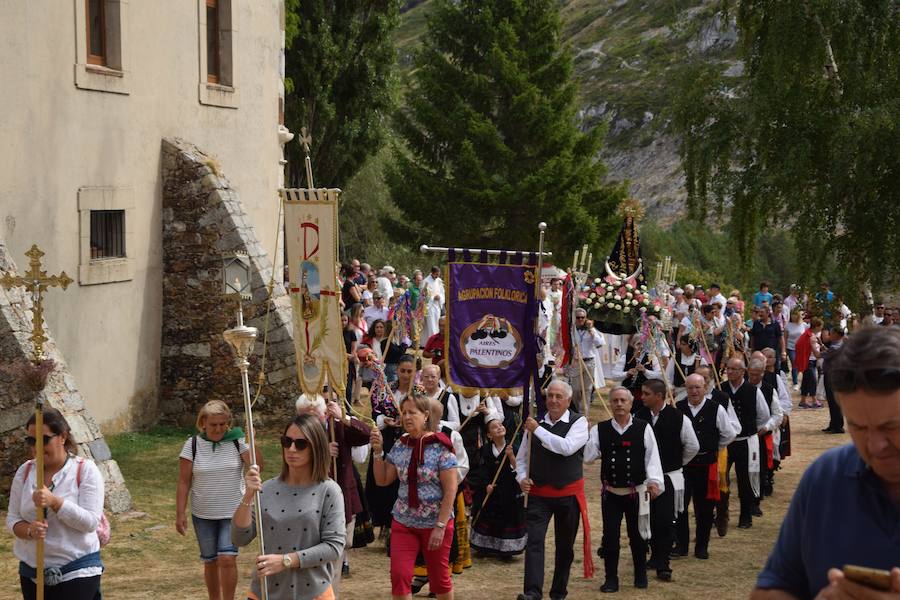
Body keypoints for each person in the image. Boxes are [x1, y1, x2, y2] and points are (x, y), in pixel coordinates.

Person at [753, 326, 900, 599]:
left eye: (892, 427)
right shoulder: (827, 476)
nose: (876, 446)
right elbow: (771, 589)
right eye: (858, 427)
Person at [233, 414, 345, 600]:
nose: (292, 449)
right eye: (287, 441)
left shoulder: (329, 490)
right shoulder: (266, 489)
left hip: (312, 594)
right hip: (264, 593)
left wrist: (286, 561)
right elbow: (239, 538)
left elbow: (334, 547)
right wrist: (248, 496)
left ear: (316, 447)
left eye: (301, 444)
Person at [7, 408, 105, 600]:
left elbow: (91, 523)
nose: (36, 447)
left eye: (44, 440)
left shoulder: (85, 470)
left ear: (62, 437)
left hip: (77, 569)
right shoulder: (25, 471)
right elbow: (12, 520)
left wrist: (55, 502)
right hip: (32, 572)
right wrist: (29, 530)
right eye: (31, 440)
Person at [370, 391, 459, 600]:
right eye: (404, 412)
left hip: (435, 522)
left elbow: (451, 490)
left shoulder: (440, 446)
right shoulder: (401, 444)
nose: (407, 417)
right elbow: (383, 480)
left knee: (438, 579)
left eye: (412, 412)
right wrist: (377, 451)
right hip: (403, 521)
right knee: (399, 575)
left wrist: (440, 526)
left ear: (426, 416)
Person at [515, 379, 592, 600]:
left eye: (559, 397)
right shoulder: (535, 424)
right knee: (535, 543)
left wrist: (538, 430)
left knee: (565, 548)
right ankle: (532, 592)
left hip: (568, 495)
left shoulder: (579, 423)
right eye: (550, 396)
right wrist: (522, 478)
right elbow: (521, 459)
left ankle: (558, 592)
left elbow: (566, 448)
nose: (554, 400)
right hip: (539, 495)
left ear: (568, 400)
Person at [586, 386, 663, 592]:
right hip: (610, 494)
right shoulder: (599, 429)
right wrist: (588, 436)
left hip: (636, 493)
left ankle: (640, 574)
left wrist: (654, 481)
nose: (619, 404)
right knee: (610, 537)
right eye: (615, 400)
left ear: (630, 404)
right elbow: (588, 457)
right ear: (610, 404)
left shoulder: (643, 427)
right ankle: (611, 578)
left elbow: (652, 457)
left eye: (623, 400)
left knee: (637, 536)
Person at [176, 400, 256, 600]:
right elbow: (184, 481)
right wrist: (180, 513)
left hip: (233, 512)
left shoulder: (237, 441)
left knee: (227, 559)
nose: (218, 429)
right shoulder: (192, 445)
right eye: (213, 425)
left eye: (222, 424)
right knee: (210, 561)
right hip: (203, 513)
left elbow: (256, 465)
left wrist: (252, 444)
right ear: (203, 423)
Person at [296, 394, 371, 592]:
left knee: (333, 563)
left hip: (340, 503)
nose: (312, 422)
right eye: (306, 417)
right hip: (308, 507)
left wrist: (343, 417)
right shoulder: (295, 436)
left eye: (316, 416)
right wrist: (320, 453)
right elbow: (291, 465)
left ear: (324, 414)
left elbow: (366, 435)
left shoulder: (338, 428)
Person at [634, 379, 699, 581]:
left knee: (665, 520)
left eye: (646, 394)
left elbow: (692, 446)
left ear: (659, 396)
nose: (642, 397)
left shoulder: (678, 417)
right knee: (648, 518)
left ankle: (663, 563)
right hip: (645, 479)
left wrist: (676, 464)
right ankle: (653, 556)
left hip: (668, 478)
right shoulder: (640, 415)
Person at [675, 374, 737, 560]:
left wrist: (713, 449)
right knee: (681, 507)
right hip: (684, 467)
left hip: (706, 465)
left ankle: (702, 546)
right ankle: (681, 545)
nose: (694, 391)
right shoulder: (678, 408)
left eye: (697, 387)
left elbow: (729, 434)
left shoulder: (716, 409)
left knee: (705, 509)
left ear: (705, 388)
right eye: (690, 388)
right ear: (686, 388)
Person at [719, 357, 771, 529]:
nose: (730, 372)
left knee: (745, 480)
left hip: (746, 442)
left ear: (743, 371)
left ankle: (745, 516)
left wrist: (750, 430)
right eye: (728, 368)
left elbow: (763, 416)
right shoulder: (721, 389)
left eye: (734, 369)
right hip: (726, 443)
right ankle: (721, 515)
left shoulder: (753, 391)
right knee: (722, 479)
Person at [469, 414, 527, 559]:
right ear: (489, 435)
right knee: (487, 516)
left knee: (507, 517)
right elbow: (481, 470)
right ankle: (484, 546)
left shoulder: (513, 446)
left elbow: (519, 468)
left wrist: (511, 456)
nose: (499, 428)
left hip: (508, 490)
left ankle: (506, 549)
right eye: (495, 427)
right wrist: (486, 485)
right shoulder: (485, 450)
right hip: (491, 490)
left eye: (500, 425)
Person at [610, 336, 663, 412]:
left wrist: (645, 371)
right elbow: (614, 376)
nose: (641, 346)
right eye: (638, 344)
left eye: (644, 344)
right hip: (628, 394)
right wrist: (627, 374)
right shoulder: (626, 357)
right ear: (633, 345)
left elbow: (660, 375)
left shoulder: (652, 358)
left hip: (647, 395)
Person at [566, 308, 605, 409]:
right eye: (578, 317)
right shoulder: (571, 329)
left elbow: (599, 344)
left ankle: (585, 413)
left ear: (586, 318)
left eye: (582, 317)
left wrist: (592, 331)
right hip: (576, 362)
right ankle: (576, 409)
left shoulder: (591, 329)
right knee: (576, 389)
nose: (580, 319)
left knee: (587, 389)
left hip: (589, 362)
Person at [821, 327, 847, 434]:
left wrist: (813, 346)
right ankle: (833, 424)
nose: (829, 335)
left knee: (834, 401)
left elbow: (819, 355)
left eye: (831, 333)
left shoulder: (836, 347)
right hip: (833, 374)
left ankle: (838, 426)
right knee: (832, 401)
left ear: (836, 334)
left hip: (832, 375)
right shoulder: (838, 345)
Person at [421, 364, 461, 431]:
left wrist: (439, 423)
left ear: (439, 377)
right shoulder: (419, 397)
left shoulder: (449, 397)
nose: (429, 379)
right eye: (426, 377)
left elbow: (456, 425)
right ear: (422, 378)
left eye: (433, 377)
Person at [795, 318, 824, 408]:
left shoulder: (808, 334)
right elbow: (816, 353)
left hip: (809, 360)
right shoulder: (811, 336)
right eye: (821, 327)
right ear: (817, 326)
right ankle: (814, 400)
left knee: (806, 381)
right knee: (812, 381)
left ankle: (803, 400)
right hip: (809, 361)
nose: (821, 329)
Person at [420, 266, 445, 347]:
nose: (437, 276)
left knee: (437, 323)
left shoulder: (439, 281)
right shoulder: (426, 281)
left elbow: (442, 292)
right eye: (436, 274)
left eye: (438, 274)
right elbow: (422, 295)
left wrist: (440, 297)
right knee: (431, 325)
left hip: (437, 305)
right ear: (432, 273)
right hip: (429, 307)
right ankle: (433, 343)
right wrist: (432, 297)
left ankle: (431, 342)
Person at [784, 310, 808, 388]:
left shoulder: (804, 325)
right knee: (794, 363)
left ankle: (802, 382)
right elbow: (785, 338)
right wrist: (785, 349)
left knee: (801, 365)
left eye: (795, 314)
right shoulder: (788, 325)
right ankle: (795, 383)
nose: (793, 316)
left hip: (801, 348)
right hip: (791, 348)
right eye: (792, 315)